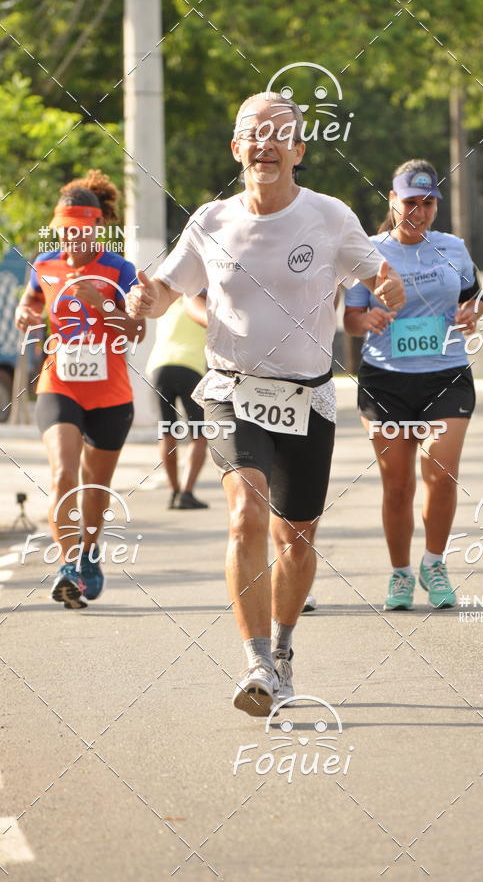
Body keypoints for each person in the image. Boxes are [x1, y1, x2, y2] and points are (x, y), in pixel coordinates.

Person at [125, 91, 405, 716]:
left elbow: (380, 273)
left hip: (307, 398)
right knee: (244, 513)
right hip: (231, 391)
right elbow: (167, 291)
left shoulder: (329, 217)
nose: (265, 143)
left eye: (280, 134)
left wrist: (389, 284)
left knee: (296, 540)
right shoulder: (212, 221)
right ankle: (253, 661)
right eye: (253, 133)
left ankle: (281, 650)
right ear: (237, 148)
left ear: (299, 151)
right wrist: (143, 301)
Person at [344, 159, 483, 611]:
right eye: (410, 202)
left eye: (427, 204)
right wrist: (366, 318)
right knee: (398, 484)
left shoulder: (454, 249)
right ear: (392, 200)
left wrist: (472, 315)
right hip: (385, 382)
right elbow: (348, 318)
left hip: (446, 376)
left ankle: (435, 562)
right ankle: (401, 573)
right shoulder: (368, 251)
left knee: (440, 476)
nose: (418, 212)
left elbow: (474, 298)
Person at [15, 170, 144, 609]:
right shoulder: (45, 263)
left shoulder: (118, 268)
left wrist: (101, 303)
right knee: (62, 475)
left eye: (78, 231)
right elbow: (33, 297)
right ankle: (69, 567)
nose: (70, 239)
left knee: (94, 488)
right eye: (63, 231)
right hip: (59, 384)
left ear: (95, 228)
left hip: (110, 393)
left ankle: (89, 554)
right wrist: (25, 311)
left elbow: (136, 328)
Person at [146, 294, 210, 509]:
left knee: (167, 432)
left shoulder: (167, 300)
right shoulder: (204, 303)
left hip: (159, 366)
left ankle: (173, 492)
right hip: (190, 367)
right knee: (199, 435)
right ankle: (186, 492)